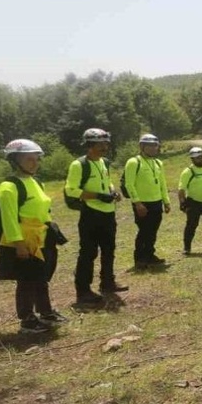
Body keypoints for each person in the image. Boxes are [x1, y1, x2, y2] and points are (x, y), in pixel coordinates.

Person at [0, 139, 65, 332]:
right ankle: (27, 319)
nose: (35, 163)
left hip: (41, 237)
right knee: (26, 280)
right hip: (24, 241)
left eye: (36, 159)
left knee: (41, 277)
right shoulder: (9, 187)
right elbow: (9, 219)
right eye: (29, 159)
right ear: (15, 161)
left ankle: (46, 312)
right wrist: (19, 244)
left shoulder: (36, 182)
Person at [66, 128, 126, 305]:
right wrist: (98, 196)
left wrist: (113, 192)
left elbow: (107, 182)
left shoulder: (104, 162)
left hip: (108, 213)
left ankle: (107, 282)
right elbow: (71, 190)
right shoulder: (79, 165)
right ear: (89, 145)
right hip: (90, 214)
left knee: (109, 250)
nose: (105, 147)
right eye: (100, 144)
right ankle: (83, 291)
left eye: (106, 143)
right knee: (88, 253)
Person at [124, 133, 171, 269]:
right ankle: (139, 259)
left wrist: (166, 201)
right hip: (142, 203)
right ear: (142, 146)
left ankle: (150, 255)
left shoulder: (158, 163)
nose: (153, 148)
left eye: (155, 146)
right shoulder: (134, 162)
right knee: (144, 231)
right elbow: (129, 184)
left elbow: (162, 183)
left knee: (153, 231)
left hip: (156, 202)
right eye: (149, 146)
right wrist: (137, 203)